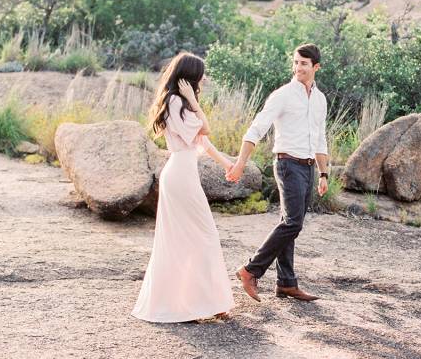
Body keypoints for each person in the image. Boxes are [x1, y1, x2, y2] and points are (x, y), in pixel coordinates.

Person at [132, 53, 235, 323]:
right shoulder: (177, 101)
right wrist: (193, 101)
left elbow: (203, 142)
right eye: (200, 74)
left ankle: (204, 302)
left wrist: (228, 164)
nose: (203, 79)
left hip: (183, 173)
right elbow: (207, 129)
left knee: (192, 238)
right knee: (202, 236)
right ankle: (199, 303)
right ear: (189, 77)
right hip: (179, 176)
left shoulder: (180, 104)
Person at [226, 43, 329, 302]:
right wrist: (240, 163)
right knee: (293, 222)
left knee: (291, 224)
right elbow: (257, 128)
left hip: (307, 168)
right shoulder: (282, 95)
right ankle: (250, 270)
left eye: (304, 64)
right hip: (287, 164)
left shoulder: (319, 99)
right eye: (295, 62)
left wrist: (324, 173)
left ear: (316, 67)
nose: (298, 68)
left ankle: (286, 283)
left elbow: (320, 139)